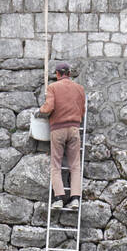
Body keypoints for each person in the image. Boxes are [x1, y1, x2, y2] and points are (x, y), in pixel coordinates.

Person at [39, 62, 86, 211]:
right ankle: (75, 199)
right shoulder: (79, 89)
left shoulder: (53, 87)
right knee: (75, 165)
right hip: (74, 129)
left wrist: (40, 110)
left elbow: (48, 108)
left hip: (57, 129)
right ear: (69, 74)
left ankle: (58, 198)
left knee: (56, 165)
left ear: (57, 74)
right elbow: (82, 110)